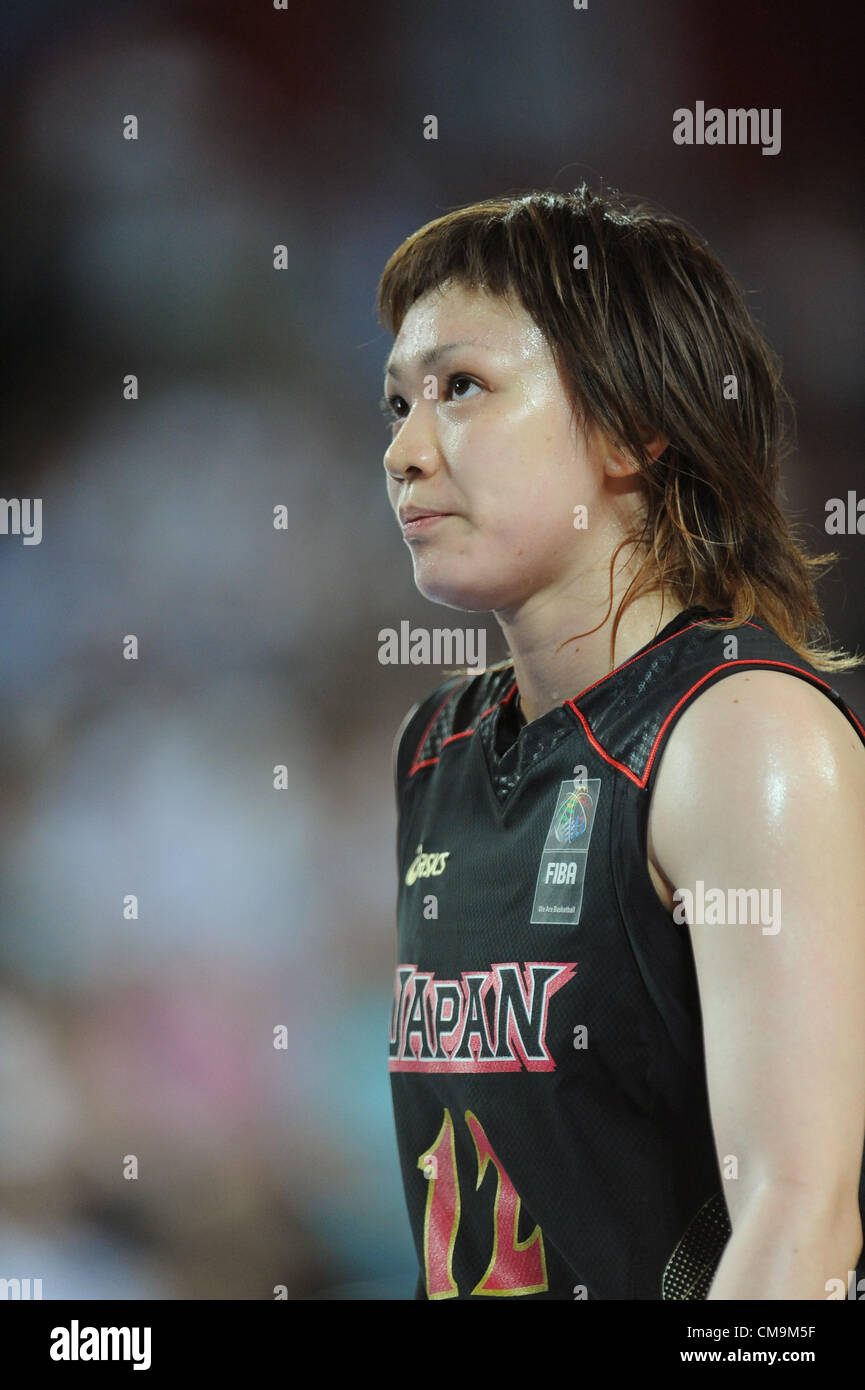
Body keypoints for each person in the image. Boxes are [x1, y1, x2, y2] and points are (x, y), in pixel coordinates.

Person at [377, 186, 865, 1300]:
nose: (404, 450)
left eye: (461, 388)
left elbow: (801, 1230)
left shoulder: (743, 737)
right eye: (395, 403)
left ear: (633, 424)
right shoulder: (434, 749)